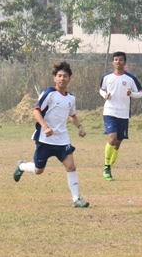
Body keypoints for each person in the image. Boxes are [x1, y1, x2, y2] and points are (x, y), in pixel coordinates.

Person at [13, 61, 89, 208]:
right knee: (38, 170)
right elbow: (36, 111)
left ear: (69, 79)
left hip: (62, 140)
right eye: (59, 76)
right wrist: (45, 127)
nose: (62, 79)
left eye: (65, 76)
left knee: (71, 167)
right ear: (55, 78)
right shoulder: (49, 93)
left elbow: (72, 115)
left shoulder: (71, 98)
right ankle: (21, 166)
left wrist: (79, 126)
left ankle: (76, 200)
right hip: (45, 139)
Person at [99, 51, 142, 182]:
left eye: (121, 60)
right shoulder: (107, 77)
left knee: (117, 144)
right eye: (116, 59)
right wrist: (104, 95)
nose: (118, 62)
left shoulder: (130, 78)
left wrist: (131, 94)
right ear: (113, 62)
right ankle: (106, 167)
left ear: (125, 62)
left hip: (123, 114)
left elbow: (140, 93)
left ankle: (110, 166)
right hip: (110, 112)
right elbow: (101, 89)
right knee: (112, 139)